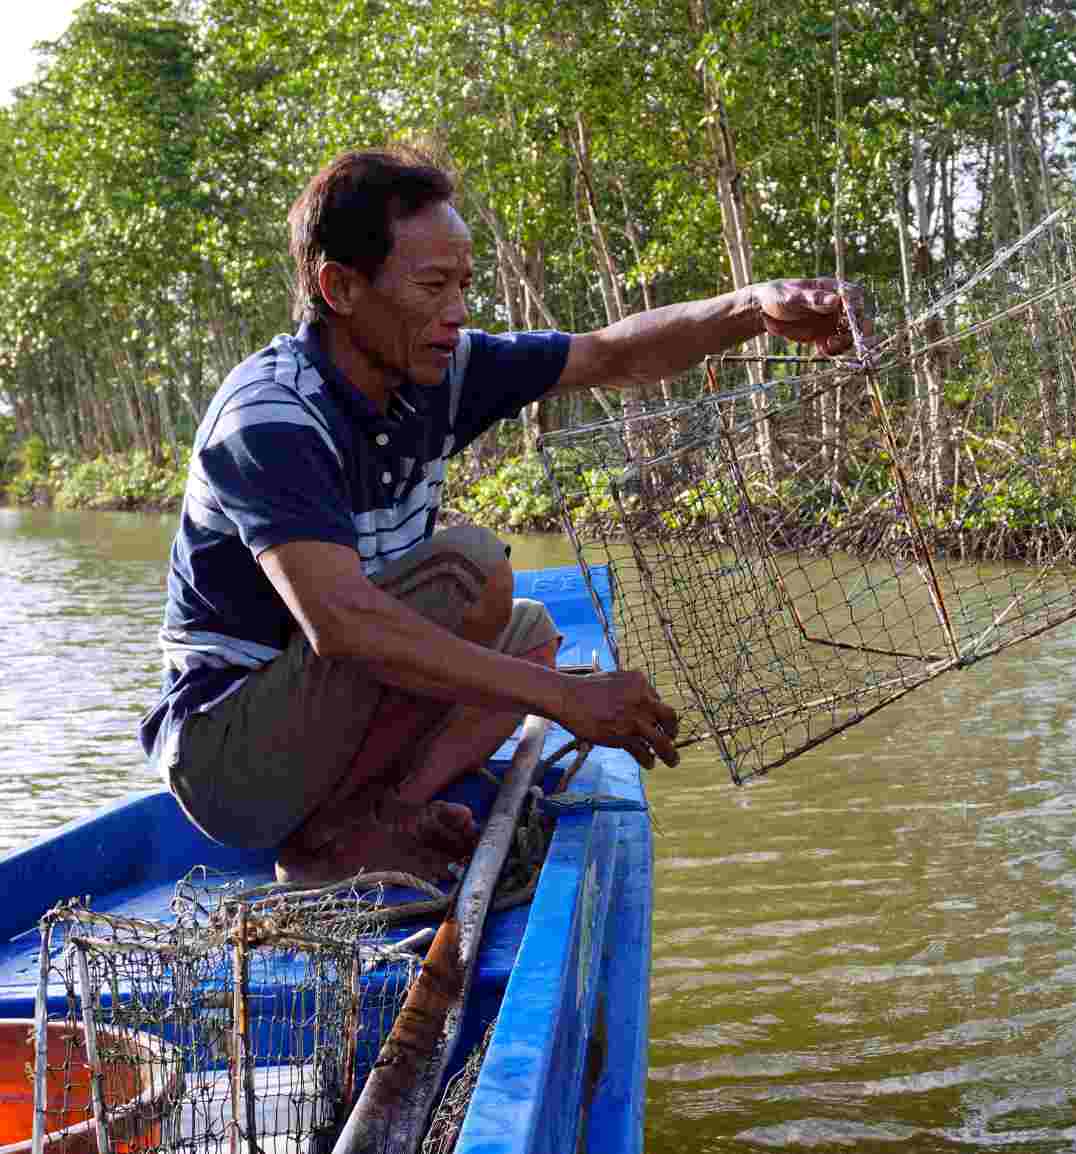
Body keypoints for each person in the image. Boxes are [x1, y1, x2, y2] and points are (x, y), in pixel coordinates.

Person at [139, 146, 856, 884]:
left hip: (323, 722)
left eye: (464, 286)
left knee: (529, 638)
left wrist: (749, 308)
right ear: (340, 287)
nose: (456, 312)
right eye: (432, 286)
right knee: (471, 567)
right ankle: (329, 828)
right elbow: (343, 623)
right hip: (231, 762)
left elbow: (610, 355)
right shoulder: (270, 415)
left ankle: (365, 825)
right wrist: (567, 701)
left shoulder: (439, 369)